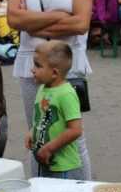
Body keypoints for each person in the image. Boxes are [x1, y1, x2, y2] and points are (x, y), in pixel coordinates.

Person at [8, 0, 93, 180]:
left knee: (71, 134)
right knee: (37, 133)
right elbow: (13, 19)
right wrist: (57, 15)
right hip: (31, 64)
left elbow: (80, 24)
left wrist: (32, 20)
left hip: (67, 65)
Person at [25, 41, 86, 178]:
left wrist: (49, 148)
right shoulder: (43, 88)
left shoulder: (66, 94)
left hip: (63, 166)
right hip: (46, 160)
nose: (32, 69)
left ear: (54, 73)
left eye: (38, 65)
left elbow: (75, 130)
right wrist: (32, 132)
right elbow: (42, 117)